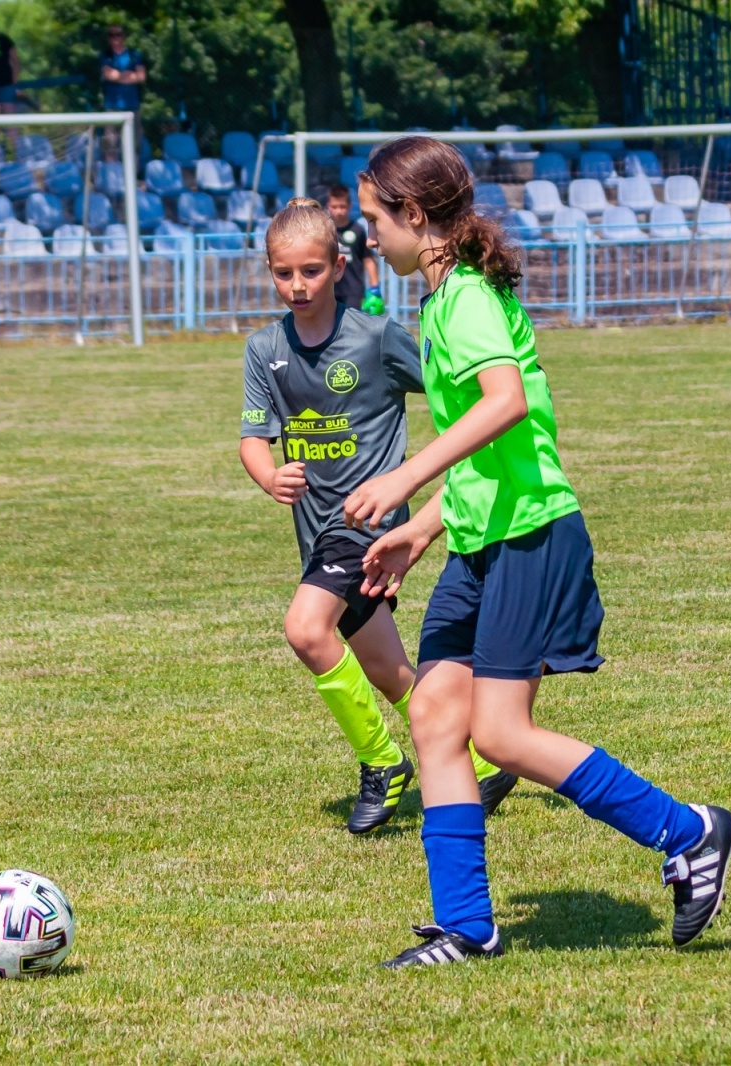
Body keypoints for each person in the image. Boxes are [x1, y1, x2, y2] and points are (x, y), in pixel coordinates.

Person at [345, 137, 731, 969]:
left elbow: (506, 404)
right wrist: (423, 529)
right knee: (435, 714)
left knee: (501, 731)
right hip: (480, 538)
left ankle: (689, 832)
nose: (369, 234)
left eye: (375, 218)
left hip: (531, 536)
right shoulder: (442, 299)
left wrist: (405, 478)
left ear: (414, 215)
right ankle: (466, 926)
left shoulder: (466, 300)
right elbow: (489, 454)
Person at [239, 197, 517, 836]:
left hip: (370, 521)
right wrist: (268, 474)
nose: (297, 285)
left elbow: (453, 389)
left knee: (306, 629)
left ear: (339, 267)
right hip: (316, 531)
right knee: (388, 672)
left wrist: (479, 415)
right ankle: (482, 761)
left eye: (311, 270)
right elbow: (254, 436)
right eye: (284, 273)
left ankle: (383, 761)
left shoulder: (376, 337)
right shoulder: (264, 349)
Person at [325, 185, 383, 314]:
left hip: (353, 290)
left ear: (350, 206)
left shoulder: (357, 230)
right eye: (335, 207)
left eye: (342, 207)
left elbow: (368, 260)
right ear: (328, 206)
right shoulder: (325, 231)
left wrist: (375, 288)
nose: (339, 211)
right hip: (328, 289)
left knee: (351, 323)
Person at [99, 25, 147, 151]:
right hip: (112, 107)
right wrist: (128, 75)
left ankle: (133, 165)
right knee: (110, 146)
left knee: (135, 147)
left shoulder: (134, 55)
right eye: (111, 35)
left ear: (124, 36)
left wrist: (119, 76)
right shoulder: (106, 56)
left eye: (118, 34)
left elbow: (141, 77)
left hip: (132, 107)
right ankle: (112, 164)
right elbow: (109, 75)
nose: (115, 38)